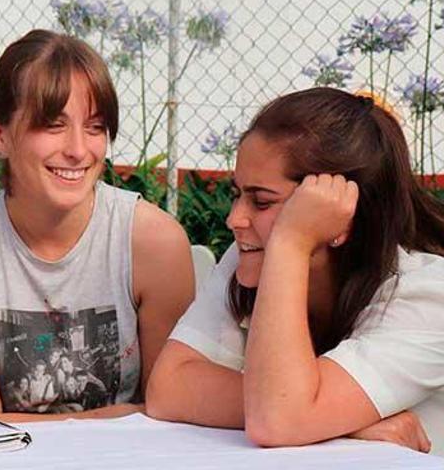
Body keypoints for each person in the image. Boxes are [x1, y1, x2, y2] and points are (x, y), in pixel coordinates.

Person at [146, 87, 444, 455]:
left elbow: (277, 420)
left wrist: (291, 242)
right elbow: (169, 387)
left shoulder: (429, 294)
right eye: (237, 193)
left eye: (262, 201)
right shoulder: (250, 254)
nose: (234, 219)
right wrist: (336, 421)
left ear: (341, 212)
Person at [0, 29, 195, 421]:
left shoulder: (154, 242)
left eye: (95, 126)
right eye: (52, 125)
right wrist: (121, 416)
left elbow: (170, 411)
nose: (78, 150)